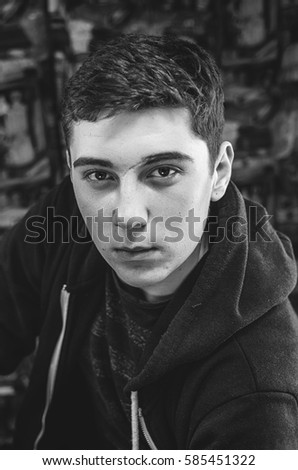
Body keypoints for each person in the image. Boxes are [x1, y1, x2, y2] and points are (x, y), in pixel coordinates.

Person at [0, 34, 298, 450]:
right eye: (99, 175)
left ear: (219, 172)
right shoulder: (63, 218)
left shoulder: (256, 387)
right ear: (72, 170)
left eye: (162, 172)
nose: (127, 217)